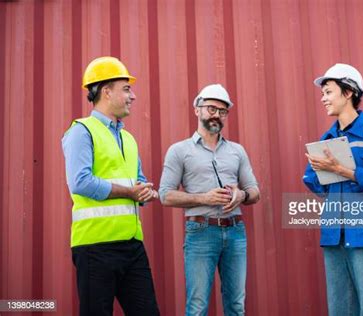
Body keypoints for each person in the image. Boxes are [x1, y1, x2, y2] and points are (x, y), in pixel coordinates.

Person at [62, 56, 160, 316]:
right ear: (106, 91)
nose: (133, 96)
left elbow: (137, 181)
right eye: (126, 88)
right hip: (95, 247)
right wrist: (130, 192)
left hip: (132, 244)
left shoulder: (128, 138)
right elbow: (80, 182)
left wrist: (145, 192)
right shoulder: (81, 132)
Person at [303, 63, 363, 315]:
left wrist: (341, 169)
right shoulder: (325, 140)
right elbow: (311, 180)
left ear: (349, 92)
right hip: (335, 235)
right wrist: (321, 171)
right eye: (322, 93)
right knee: (340, 310)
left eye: (328, 92)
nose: (323, 99)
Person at [159, 84, 260, 315]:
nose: (217, 114)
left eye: (222, 111)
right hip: (200, 231)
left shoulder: (237, 151)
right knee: (197, 306)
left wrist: (241, 195)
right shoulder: (179, 150)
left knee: (236, 305)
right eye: (211, 108)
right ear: (197, 110)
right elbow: (165, 194)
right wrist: (204, 197)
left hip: (236, 231)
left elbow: (254, 191)